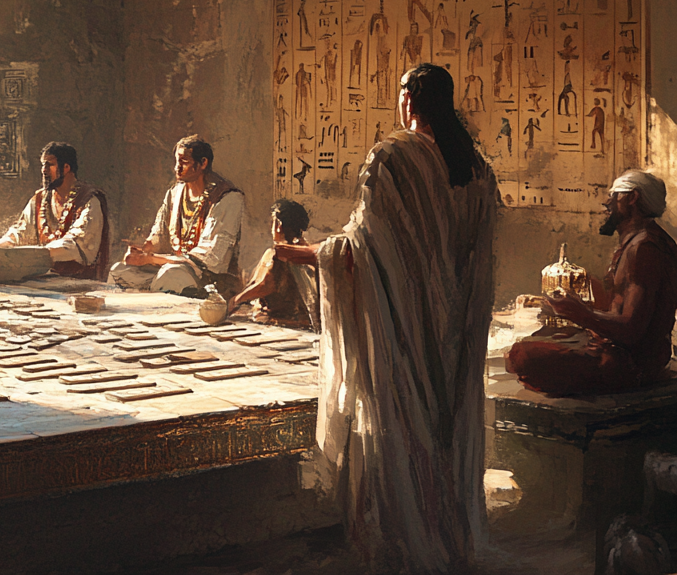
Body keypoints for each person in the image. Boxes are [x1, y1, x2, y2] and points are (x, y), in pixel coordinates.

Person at [276, 63, 496, 573]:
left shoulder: (392, 156)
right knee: (445, 425)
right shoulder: (475, 165)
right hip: (455, 324)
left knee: (402, 421)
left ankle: (404, 535)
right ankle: (447, 532)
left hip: (404, 318)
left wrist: (309, 255)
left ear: (408, 100)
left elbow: (362, 250)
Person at [506, 170, 677, 396]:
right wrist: (574, 306)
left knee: (519, 355)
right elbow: (622, 307)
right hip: (620, 351)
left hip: (629, 363)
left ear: (632, 198)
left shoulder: (644, 248)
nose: (607, 203)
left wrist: (581, 314)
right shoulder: (640, 242)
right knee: (538, 339)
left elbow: (632, 329)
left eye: (614, 195)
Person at [109, 136, 244, 297]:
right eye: (176, 162)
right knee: (120, 271)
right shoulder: (174, 194)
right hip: (172, 267)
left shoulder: (227, 198)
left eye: (184, 162)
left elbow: (210, 260)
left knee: (170, 275)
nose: (177, 168)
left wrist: (150, 259)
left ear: (203, 163)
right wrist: (141, 250)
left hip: (208, 280)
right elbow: (158, 237)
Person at [0, 142, 110, 280]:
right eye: (43, 165)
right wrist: (3, 247)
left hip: (79, 284)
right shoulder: (40, 199)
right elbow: (21, 230)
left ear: (66, 167)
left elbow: (77, 244)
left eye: (49, 165)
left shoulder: (88, 199)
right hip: (42, 281)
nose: (44, 170)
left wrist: (39, 253)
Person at [230, 199, 318, 329]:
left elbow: (265, 285)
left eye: (272, 223)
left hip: (280, 321)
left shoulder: (280, 253)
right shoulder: (305, 250)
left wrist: (235, 301)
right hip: (305, 320)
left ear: (278, 225)